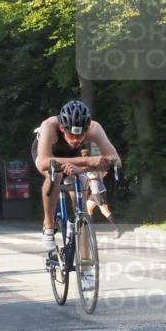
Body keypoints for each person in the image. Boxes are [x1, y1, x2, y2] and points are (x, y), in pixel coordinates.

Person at [33, 100, 121, 252]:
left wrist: (82, 169)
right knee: (55, 175)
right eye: (72, 135)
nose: (76, 140)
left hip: (73, 158)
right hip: (48, 157)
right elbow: (43, 162)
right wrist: (87, 161)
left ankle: (84, 257)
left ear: (87, 128)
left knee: (81, 185)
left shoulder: (94, 128)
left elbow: (116, 160)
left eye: (81, 136)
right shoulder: (49, 126)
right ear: (62, 128)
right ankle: (48, 226)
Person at [81, 147, 122, 238]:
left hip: (98, 191)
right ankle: (91, 230)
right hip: (95, 190)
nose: (82, 157)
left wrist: (91, 178)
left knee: (105, 211)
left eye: (83, 155)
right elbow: (104, 173)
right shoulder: (94, 163)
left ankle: (118, 229)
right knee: (88, 208)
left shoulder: (90, 164)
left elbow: (93, 175)